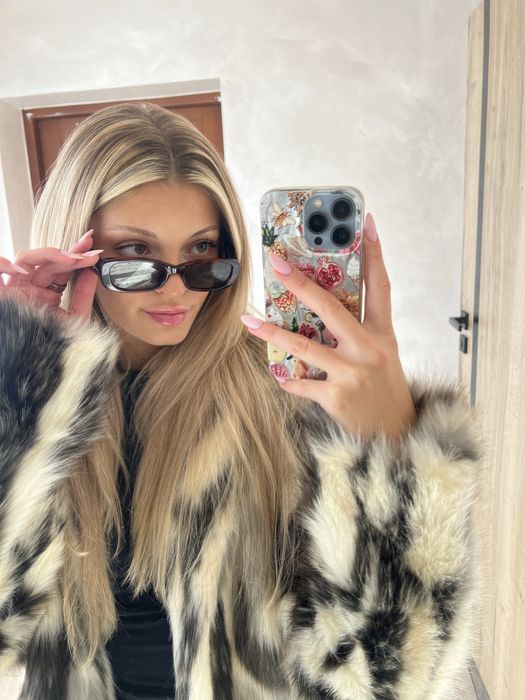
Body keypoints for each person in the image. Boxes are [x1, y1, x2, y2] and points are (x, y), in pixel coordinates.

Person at [0, 102, 486, 700]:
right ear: (76, 254)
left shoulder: (285, 401)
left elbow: (385, 680)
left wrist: (393, 468)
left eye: (202, 251)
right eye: (134, 254)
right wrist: (18, 390)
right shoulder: (43, 404)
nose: (176, 288)